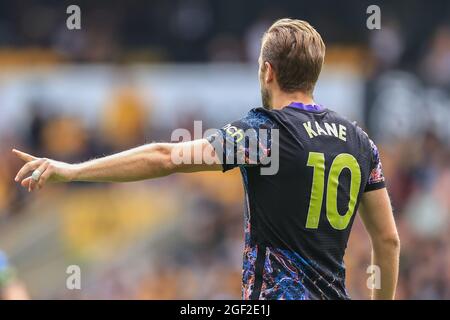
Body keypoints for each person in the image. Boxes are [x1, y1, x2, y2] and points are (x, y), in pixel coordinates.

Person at [13, 19, 400, 300]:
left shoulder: (264, 133)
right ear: (315, 74)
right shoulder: (360, 142)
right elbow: (388, 239)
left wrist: (74, 170)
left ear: (267, 71)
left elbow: (166, 157)